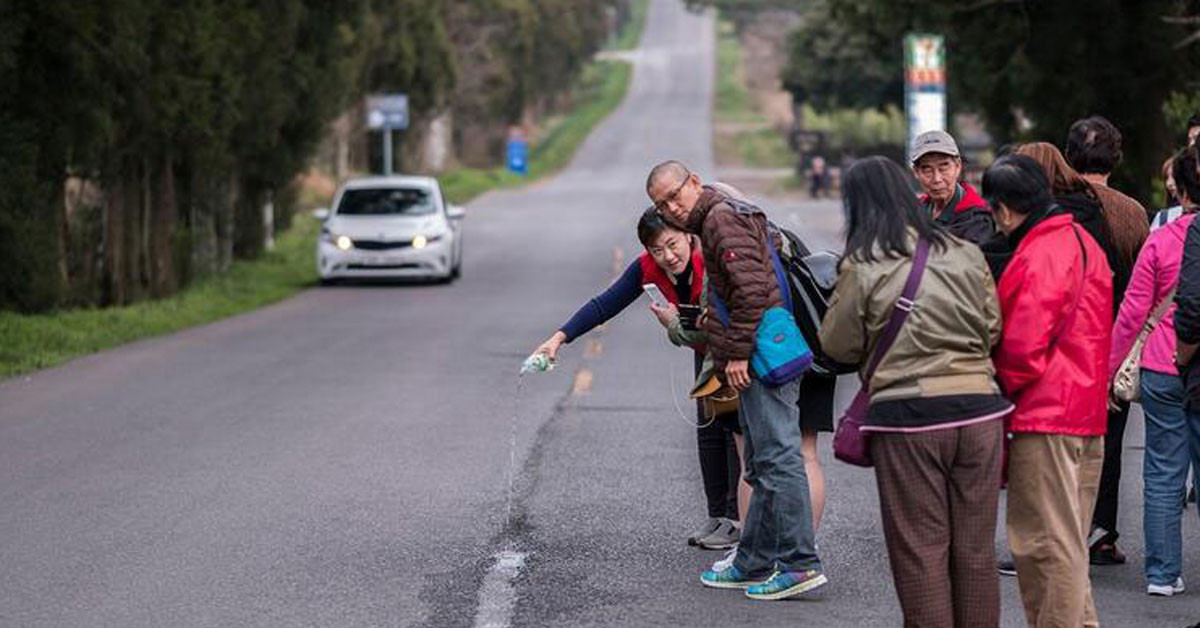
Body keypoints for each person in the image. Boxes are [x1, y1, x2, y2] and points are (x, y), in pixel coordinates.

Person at [820, 156, 1010, 626]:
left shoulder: (865, 263)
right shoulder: (963, 251)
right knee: (975, 551)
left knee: (921, 551)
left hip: (909, 420)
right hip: (981, 412)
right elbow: (992, 328)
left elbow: (837, 345)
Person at [647, 160, 826, 600]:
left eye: (675, 195)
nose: (672, 207)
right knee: (762, 462)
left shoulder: (721, 219)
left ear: (694, 183)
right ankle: (753, 561)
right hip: (755, 350)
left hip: (762, 354)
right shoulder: (717, 217)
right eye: (661, 204)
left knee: (780, 457)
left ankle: (801, 563)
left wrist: (738, 354)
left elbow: (753, 292)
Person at [532, 208, 742, 550]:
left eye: (672, 244)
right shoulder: (647, 267)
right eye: (657, 250)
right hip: (704, 354)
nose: (668, 256)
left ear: (689, 235)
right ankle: (718, 515)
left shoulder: (713, 260)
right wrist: (560, 337)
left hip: (735, 354)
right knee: (708, 434)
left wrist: (677, 324)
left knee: (733, 435)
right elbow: (606, 304)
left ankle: (736, 521)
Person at [986, 154, 1112, 627]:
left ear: (1002, 209)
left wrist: (993, 384)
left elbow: (1022, 349)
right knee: (1067, 544)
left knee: (1043, 546)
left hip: (1045, 416)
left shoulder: (1039, 253)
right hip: (1085, 410)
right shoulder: (1079, 240)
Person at [1108, 146, 1200, 597]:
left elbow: (1131, 312)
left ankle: (1162, 574)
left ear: (1180, 192)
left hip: (1160, 367)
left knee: (1163, 471)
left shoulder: (1161, 240)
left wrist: (1112, 368)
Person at [1064, 116, 1151, 565]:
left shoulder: (1055, 206)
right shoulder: (1133, 213)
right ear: (1115, 158)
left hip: (1065, 342)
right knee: (1108, 442)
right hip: (1115, 340)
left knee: (1060, 443)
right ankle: (1103, 534)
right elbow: (1142, 287)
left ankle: (1063, 529)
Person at [910, 130, 995, 244]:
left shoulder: (977, 220)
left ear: (958, 166)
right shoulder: (914, 212)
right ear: (916, 172)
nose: (937, 179)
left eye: (944, 167)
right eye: (927, 170)